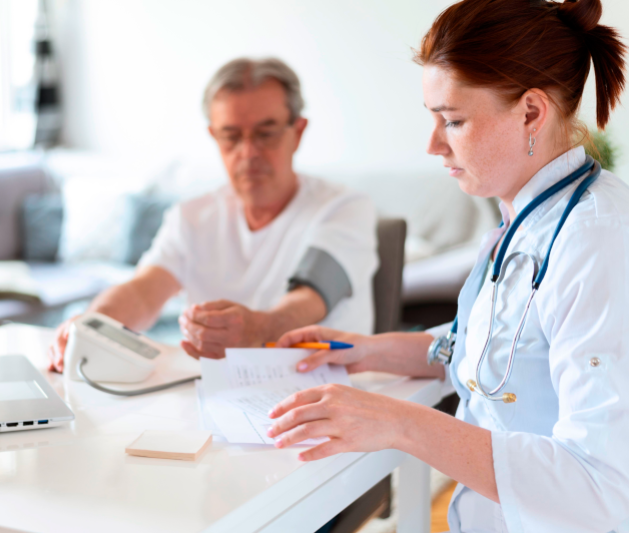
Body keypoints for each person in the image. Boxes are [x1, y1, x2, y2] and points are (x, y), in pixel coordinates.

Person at [267, 0, 629, 531]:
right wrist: (362, 350)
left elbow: (603, 490)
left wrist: (400, 423)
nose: (433, 145)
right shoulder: (523, 222)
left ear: (531, 112)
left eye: (453, 121)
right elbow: (491, 352)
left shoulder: (596, 242)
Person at [49, 58, 378, 371]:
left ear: (299, 131)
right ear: (214, 137)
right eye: (231, 136)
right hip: (223, 395)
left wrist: (258, 330)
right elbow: (144, 290)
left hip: (331, 391)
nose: (248, 152)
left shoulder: (344, 208)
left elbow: (311, 297)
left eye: (266, 134)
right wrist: (94, 325)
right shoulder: (192, 216)